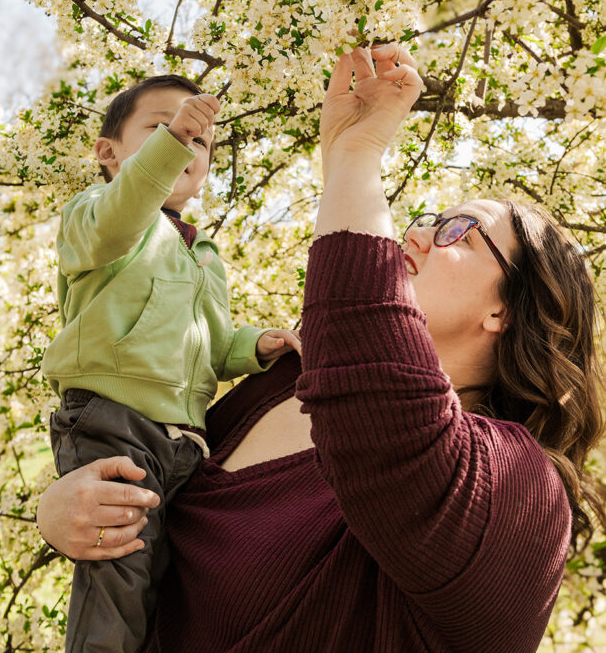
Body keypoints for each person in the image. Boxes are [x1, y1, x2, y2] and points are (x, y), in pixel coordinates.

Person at [37, 45, 605, 653]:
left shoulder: (517, 489)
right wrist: (69, 508)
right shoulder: (280, 389)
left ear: (506, 311)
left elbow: (385, 395)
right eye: (429, 215)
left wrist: (356, 159)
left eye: (459, 232)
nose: (415, 231)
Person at [41, 74, 301, 653]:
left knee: (171, 583)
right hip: (114, 418)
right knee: (120, 572)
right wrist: (174, 140)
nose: (183, 144)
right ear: (109, 153)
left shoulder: (205, 253)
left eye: (197, 142)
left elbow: (210, 341)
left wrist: (255, 347)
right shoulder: (95, 217)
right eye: (159, 129)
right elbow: (124, 207)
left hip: (184, 436)